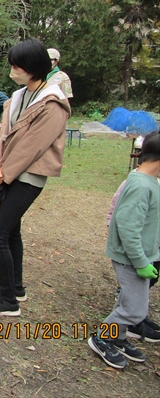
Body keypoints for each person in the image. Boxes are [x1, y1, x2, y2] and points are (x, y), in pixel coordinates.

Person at [0, 39, 70, 317]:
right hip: (6, 172)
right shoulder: (17, 96)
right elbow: (2, 133)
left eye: (18, 65)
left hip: (28, 176)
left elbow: (33, 147)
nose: (13, 69)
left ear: (33, 67)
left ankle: (8, 302)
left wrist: (3, 175)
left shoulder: (53, 102)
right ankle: (15, 287)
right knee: (11, 231)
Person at [88, 132, 160, 368]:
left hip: (140, 256)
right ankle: (102, 337)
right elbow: (128, 228)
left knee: (128, 303)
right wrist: (141, 262)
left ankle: (117, 338)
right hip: (132, 260)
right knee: (134, 310)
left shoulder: (145, 180)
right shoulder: (141, 186)